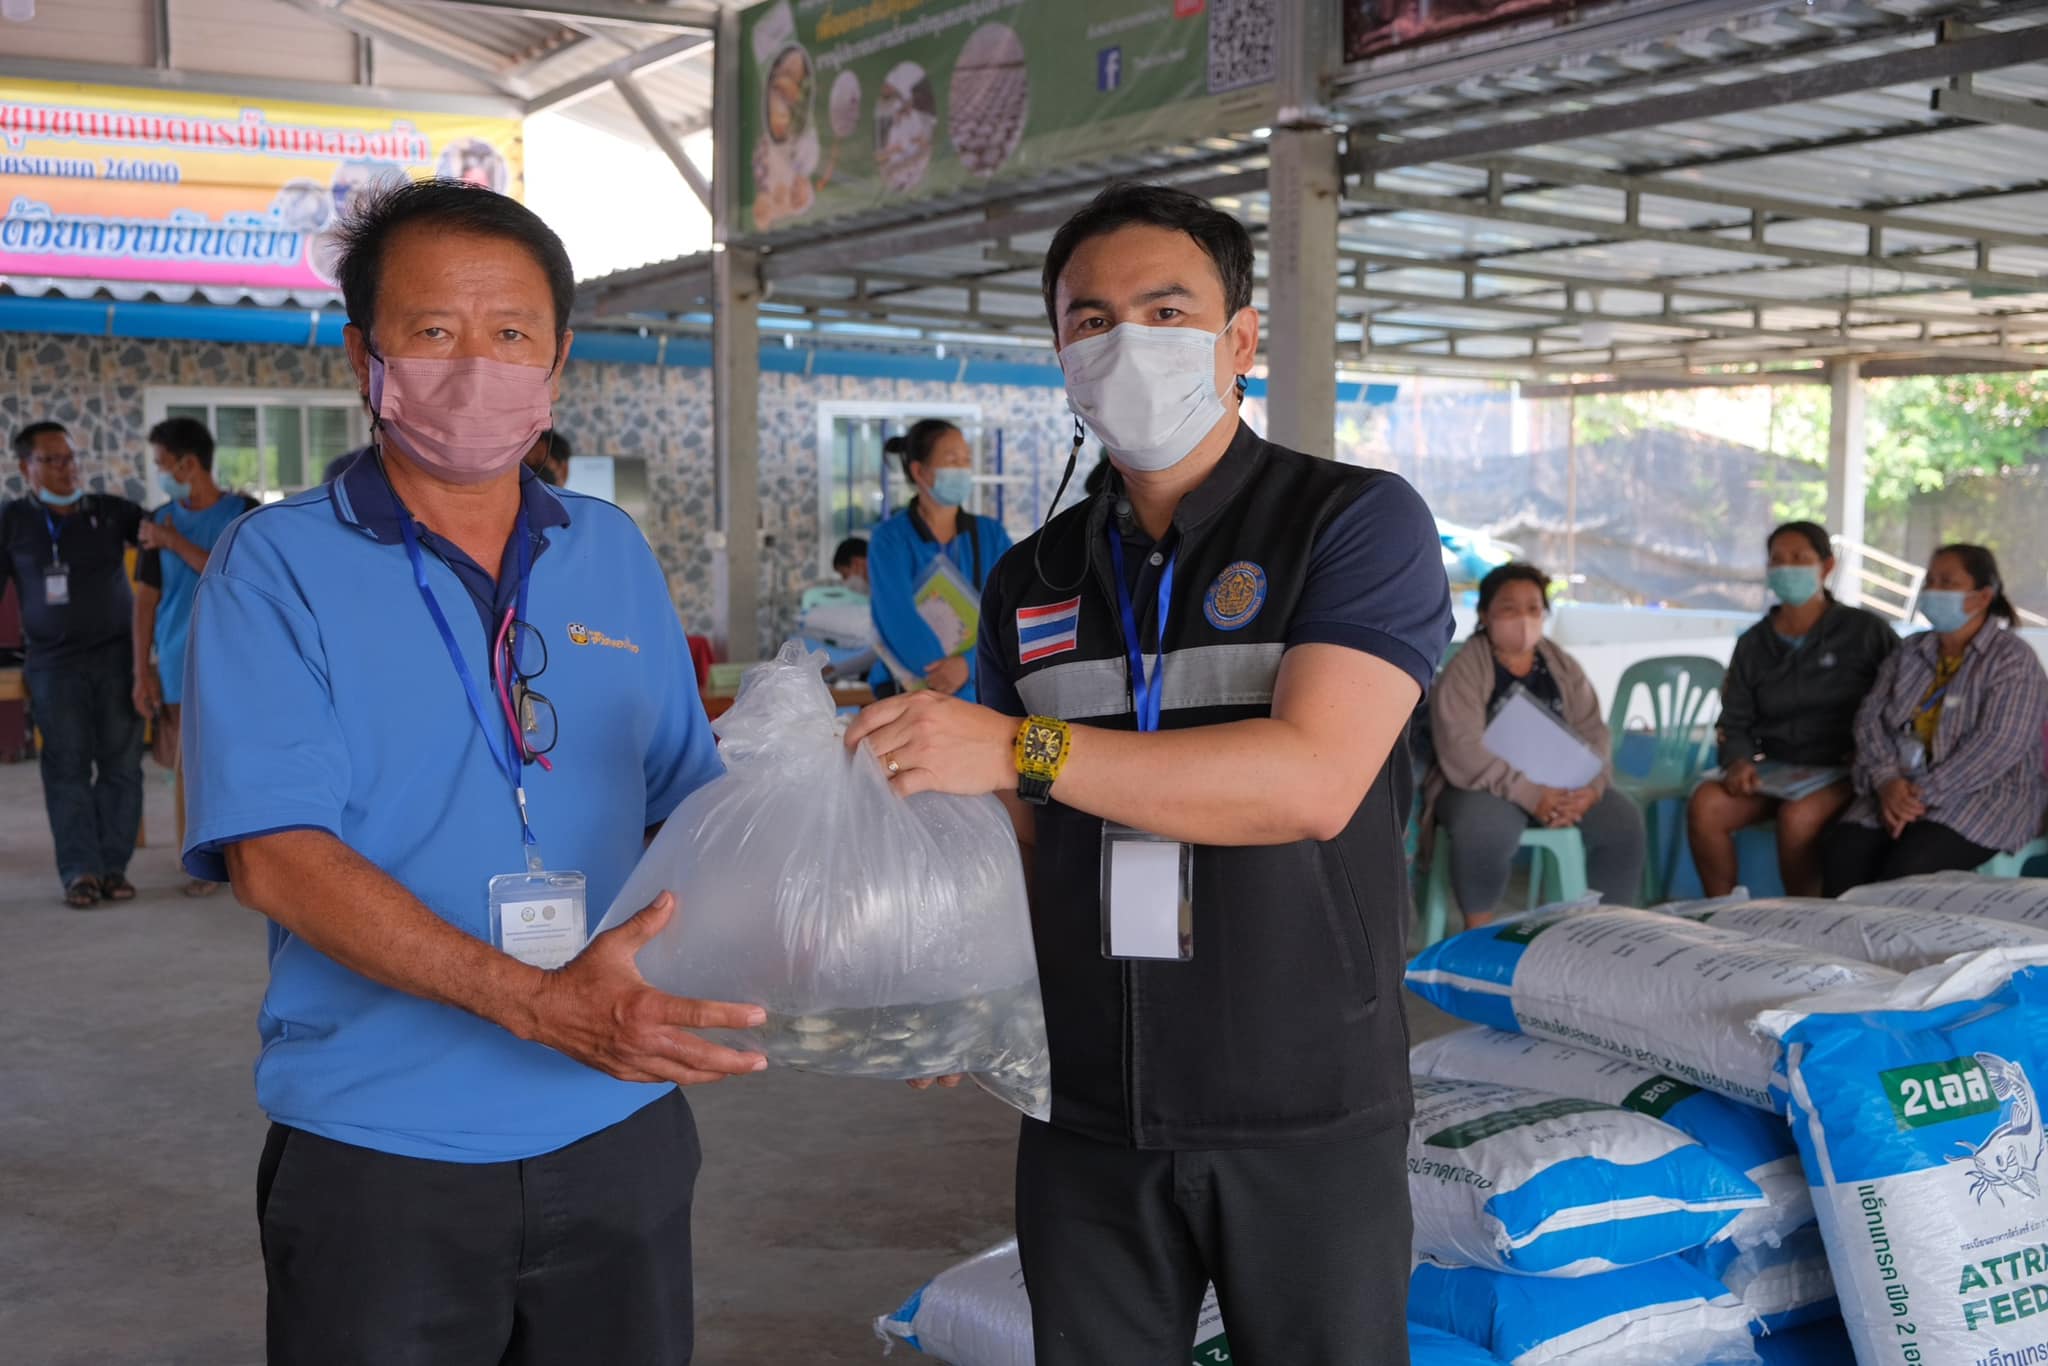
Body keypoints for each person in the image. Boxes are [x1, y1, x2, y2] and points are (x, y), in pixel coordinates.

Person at [847, 182, 1454, 1364]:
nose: (1125, 344)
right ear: (1060, 356)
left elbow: (1308, 781)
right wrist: (955, 975)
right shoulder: (1032, 576)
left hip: (1297, 1097)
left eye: (1165, 311)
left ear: (1239, 339)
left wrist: (1019, 746)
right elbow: (1019, 831)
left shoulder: (1350, 524)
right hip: (1085, 1100)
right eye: (1090, 320)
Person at [179, 179, 767, 1364]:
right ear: (366, 356)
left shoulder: (606, 549)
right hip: (384, 1149)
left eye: (509, 334)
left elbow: (690, 806)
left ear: (556, 359)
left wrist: (881, 943)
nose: (475, 367)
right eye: (433, 331)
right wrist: (540, 1004)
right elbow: (277, 859)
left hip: (620, 1119)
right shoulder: (275, 564)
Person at [1424, 562, 1645, 924]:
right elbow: (1461, 748)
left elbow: (1593, 730)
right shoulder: (1465, 669)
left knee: (1622, 820)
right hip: (1483, 786)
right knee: (1484, 828)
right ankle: (1477, 934)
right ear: (1485, 614)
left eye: (1533, 608)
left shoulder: (1562, 665)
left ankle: (1608, 926)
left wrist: (1591, 788)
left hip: (1562, 787)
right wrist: (1530, 793)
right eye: (1509, 608)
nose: (1524, 619)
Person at [1822, 543, 2048, 894]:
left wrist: (1919, 794)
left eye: (1947, 582)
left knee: (1909, 868)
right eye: (1930, 581)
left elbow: (1999, 746)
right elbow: (1869, 720)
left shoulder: (2013, 660)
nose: (1932, 590)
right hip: (1896, 787)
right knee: (1842, 851)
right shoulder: (1910, 651)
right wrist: (1887, 781)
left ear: (1982, 597)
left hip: (1986, 795)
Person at [1687, 521, 1898, 897]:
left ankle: (1803, 917)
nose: (1787, 568)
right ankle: (1722, 911)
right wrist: (1738, 761)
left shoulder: (1865, 631)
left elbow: (1903, 701)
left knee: (1797, 818)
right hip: (1775, 771)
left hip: (1847, 773)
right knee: (1706, 804)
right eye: (1778, 560)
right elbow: (1734, 718)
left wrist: (1875, 759)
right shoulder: (1754, 643)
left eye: (1799, 559)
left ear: (1826, 566)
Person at [1, 421, 147, 908]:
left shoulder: (111, 512)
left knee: (121, 766)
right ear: (26, 467)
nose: (68, 469)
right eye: (53, 460)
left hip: (117, 660)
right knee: (66, 768)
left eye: (71, 458)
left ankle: (113, 867)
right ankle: (80, 870)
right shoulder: (12, 520)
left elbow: (158, 548)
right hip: (52, 665)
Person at [131, 416, 259, 898]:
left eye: (162, 463)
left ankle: (253, 857)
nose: (161, 473)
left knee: (242, 762)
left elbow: (230, 574)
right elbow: (145, 602)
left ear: (188, 464)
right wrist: (141, 670)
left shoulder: (244, 514)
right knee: (189, 768)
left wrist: (174, 542)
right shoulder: (159, 519)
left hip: (240, 663)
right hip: (179, 660)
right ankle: (201, 863)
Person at [864, 419, 1012, 703]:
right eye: (952, 460)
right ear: (919, 471)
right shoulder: (890, 539)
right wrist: (943, 681)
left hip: (981, 688)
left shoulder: (992, 535)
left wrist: (968, 666)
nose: (963, 469)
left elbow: (1011, 613)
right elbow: (897, 620)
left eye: (966, 460)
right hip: (912, 691)